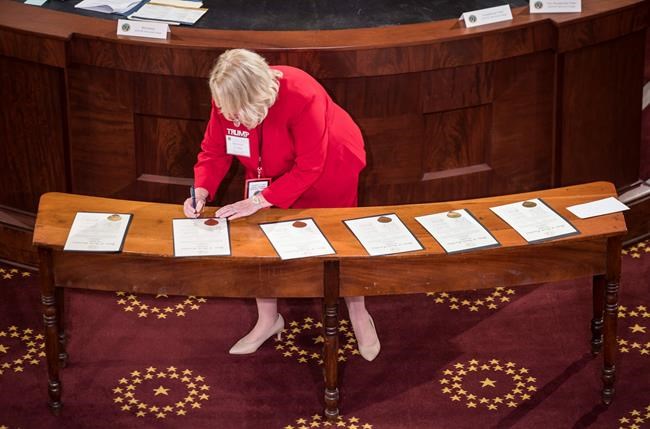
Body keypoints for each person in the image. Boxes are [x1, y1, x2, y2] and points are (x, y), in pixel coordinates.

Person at [183, 49, 380, 361]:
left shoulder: (303, 94)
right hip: (267, 170)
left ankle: (358, 312)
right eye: (226, 110)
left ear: (258, 96)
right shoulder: (228, 98)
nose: (230, 118)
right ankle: (268, 319)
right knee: (260, 243)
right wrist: (203, 190)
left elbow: (310, 167)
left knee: (338, 241)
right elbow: (214, 150)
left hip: (329, 168)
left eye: (237, 113)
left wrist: (262, 200)